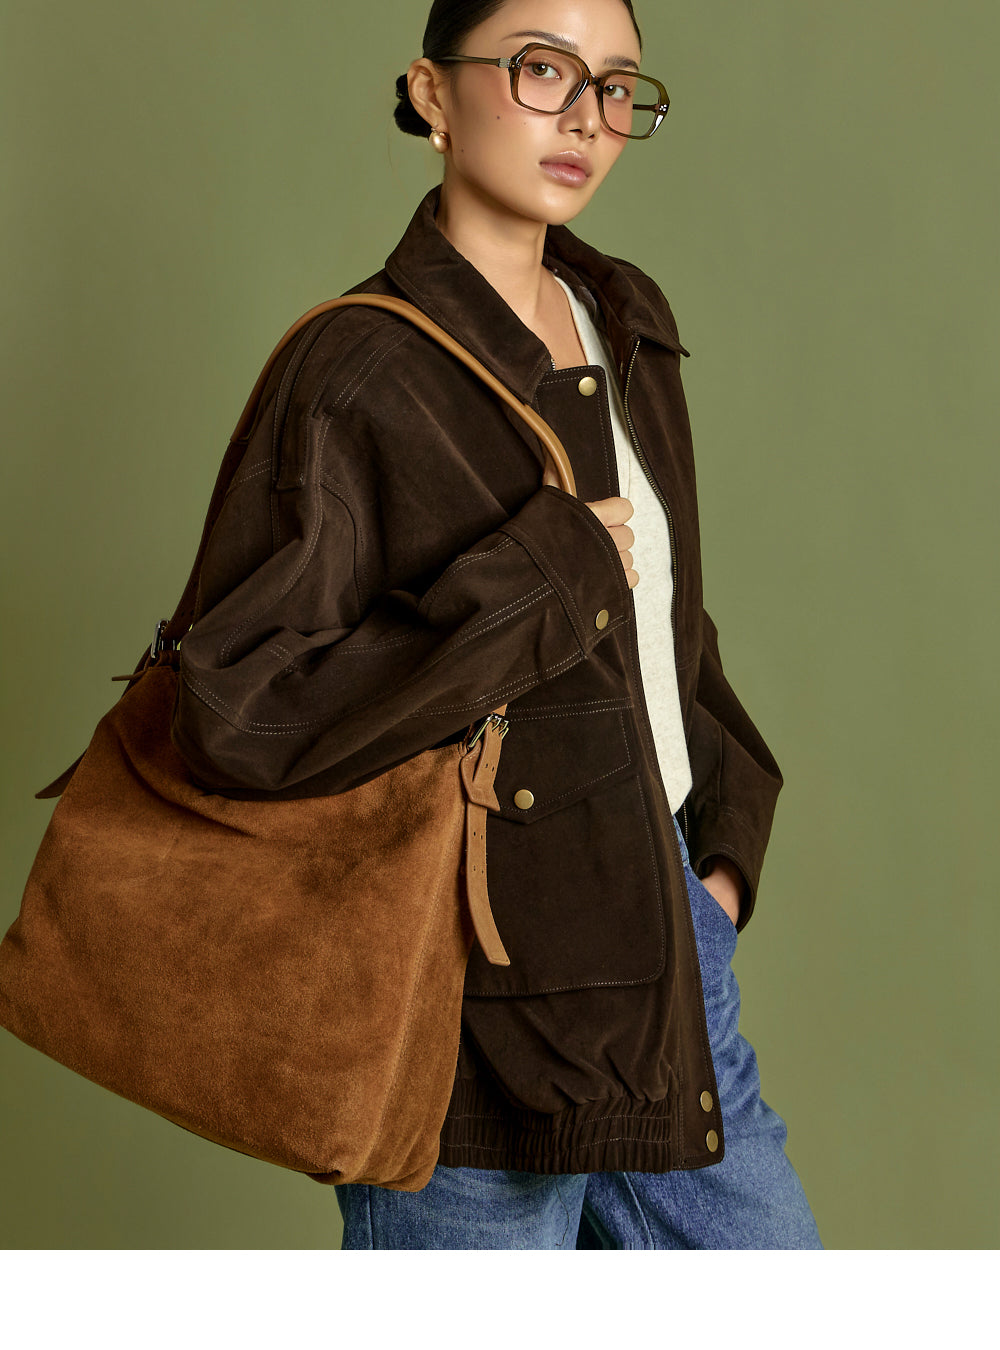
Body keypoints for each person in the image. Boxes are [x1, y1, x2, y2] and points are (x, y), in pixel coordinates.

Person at [171, 0, 822, 1249]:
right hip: (464, 996)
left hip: (662, 945)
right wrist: (539, 574)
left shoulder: (623, 320)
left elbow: (667, 627)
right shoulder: (359, 368)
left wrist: (723, 855)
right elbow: (239, 707)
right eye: (541, 70)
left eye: (616, 85)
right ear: (431, 92)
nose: (585, 117)